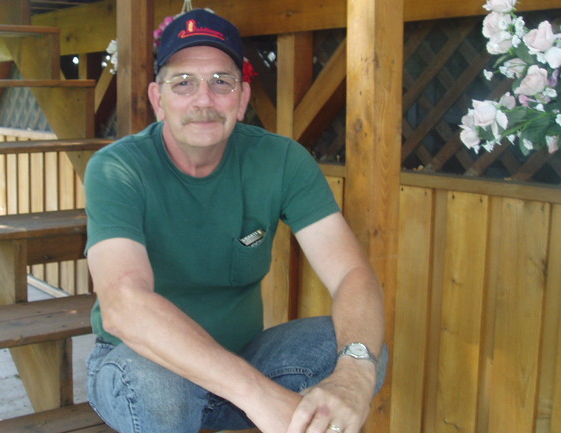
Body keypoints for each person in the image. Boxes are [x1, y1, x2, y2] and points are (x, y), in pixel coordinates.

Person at [83, 8, 387, 433]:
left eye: (221, 82)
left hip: (246, 356)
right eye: (183, 83)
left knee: (360, 351)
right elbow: (123, 305)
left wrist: (354, 375)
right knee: (158, 392)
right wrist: (259, 396)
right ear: (157, 100)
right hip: (141, 362)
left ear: (242, 99)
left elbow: (352, 273)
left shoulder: (282, 160)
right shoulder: (118, 168)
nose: (204, 100)